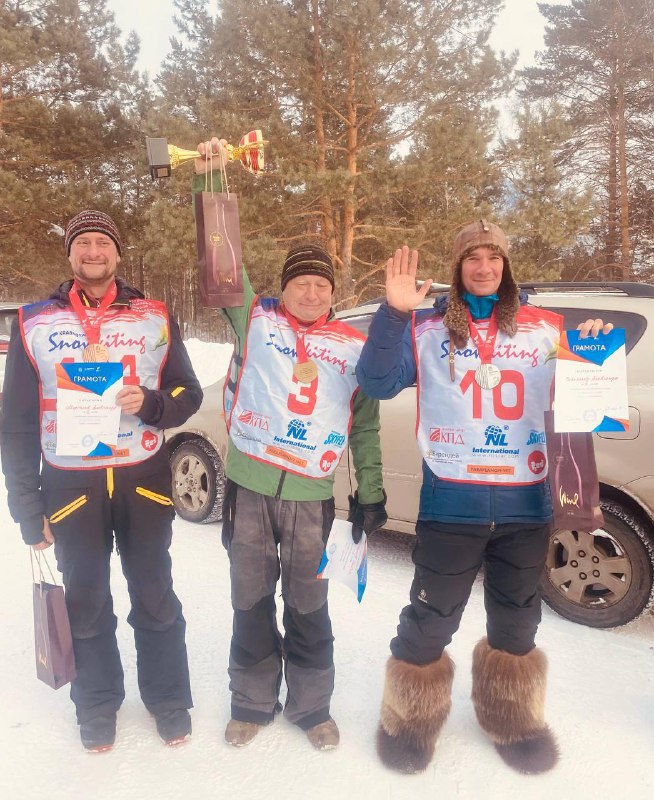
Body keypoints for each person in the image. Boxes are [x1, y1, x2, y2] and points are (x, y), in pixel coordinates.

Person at [356, 221, 612, 775]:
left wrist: (594, 347)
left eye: (493, 257)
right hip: (452, 504)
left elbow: (588, 404)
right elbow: (375, 382)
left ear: (506, 265)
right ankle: (408, 720)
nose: (484, 267)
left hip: (526, 505)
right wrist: (394, 313)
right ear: (458, 266)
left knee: (517, 622)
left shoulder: (546, 329)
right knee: (430, 619)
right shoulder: (426, 328)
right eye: (472, 257)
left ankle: (512, 720)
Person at [193, 138, 387, 751]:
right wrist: (210, 183)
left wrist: (372, 491)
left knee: (308, 605)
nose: (310, 293)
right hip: (249, 489)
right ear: (285, 288)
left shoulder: (353, 349)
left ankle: (311, 706)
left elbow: (364, 425)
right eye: (300, 283)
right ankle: (251, 702)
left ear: (333, 292)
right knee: (250, 601)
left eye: (320, 284)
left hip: (311, 498)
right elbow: (223, 265)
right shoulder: (255, 319)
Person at [1, 210, 203, 752]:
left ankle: (168, 700)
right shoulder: (34, 322)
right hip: (70, 487)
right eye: (83, 243)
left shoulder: (153, 316)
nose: (93, 252)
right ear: (70, 253)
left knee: (155, 595)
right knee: (85, 602)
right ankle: (96, 705)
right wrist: (26, 508)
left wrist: (153, 403)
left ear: (117, 252)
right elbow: (16, 423)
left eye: (103, 243)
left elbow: (187, 394)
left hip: (143, 481)